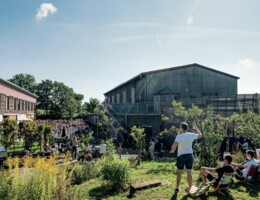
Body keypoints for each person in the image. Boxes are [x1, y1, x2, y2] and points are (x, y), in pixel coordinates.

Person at [170, 122, 202, 193]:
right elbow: (200, 135)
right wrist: (196, 128)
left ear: (181, 128)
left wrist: (172, 151)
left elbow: (175, 145)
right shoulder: (191, 135)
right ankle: (190, 188)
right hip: (189, 155)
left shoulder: (179, 136)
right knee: (189, 172)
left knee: (179, 172)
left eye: (180, 127)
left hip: (181, 156)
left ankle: (177, 188)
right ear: (187, 128)